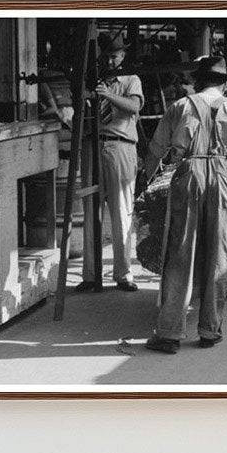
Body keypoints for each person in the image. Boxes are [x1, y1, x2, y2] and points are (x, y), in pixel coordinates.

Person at [144, 56, 227, 354]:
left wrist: (144, 180)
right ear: (224, 83)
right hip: (226, 177)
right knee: (220, 253)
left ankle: (169, 333)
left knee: (181, 251)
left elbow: (156, 150)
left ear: (197, 81)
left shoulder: (180, 106)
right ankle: (210, 329)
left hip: (189, 173)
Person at [77, 33, 144, 292]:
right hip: (93, 143)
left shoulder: (130, 79)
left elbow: (133, 108)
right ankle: (91, 274)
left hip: (120, 145)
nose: (110, 61)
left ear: (123, 56)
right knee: (91, 211)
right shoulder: (95, 80)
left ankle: (124, 274)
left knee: (121, 210)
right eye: (106, 57)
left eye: (115, 56)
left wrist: (107, 95)